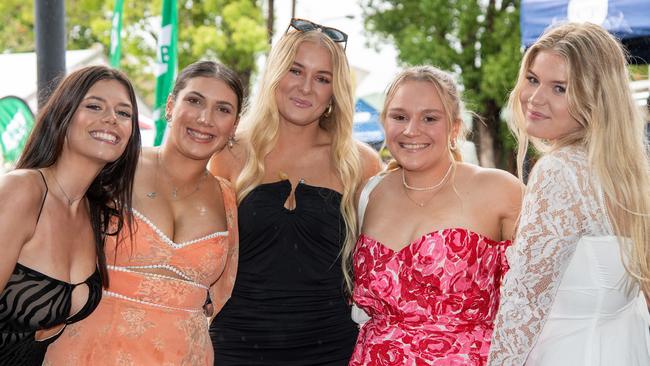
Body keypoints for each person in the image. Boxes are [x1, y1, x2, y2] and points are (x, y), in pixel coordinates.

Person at [44, 61, 243, 365]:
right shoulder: (113, 168)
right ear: (170, 106)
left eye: (223, 109)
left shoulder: (228, 198)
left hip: (184, 356)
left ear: (234, 125)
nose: (205, 118)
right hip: (90, 350)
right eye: (194, 101)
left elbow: (220, 296)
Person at [208, 18, 381, 365]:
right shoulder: (229, 153)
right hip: (235, 347)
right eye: (295, 71)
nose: (305, 88)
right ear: (275, 74)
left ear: (335, 91)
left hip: (330, 349)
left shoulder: (359, 163)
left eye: (322, 78)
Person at [488, 22, 650, 366]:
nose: (535, 98)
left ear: (596, 96)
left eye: (560, 88)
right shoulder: (631, 174)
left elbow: (524, 302)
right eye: (532, 79)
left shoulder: (560, 171)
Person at [348, 66, 522, 365]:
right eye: (399, 117)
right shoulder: (369, 193)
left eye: (429, 118)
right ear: (383, 122)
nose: (411, 130)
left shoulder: (498, 189)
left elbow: (543, 292)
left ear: (454, 128)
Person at [0, 65, 141, 365]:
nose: (111, 119)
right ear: (63, 114)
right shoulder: (23, 191)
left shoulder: (98, 215)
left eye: (124, 113)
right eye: (94, 105)